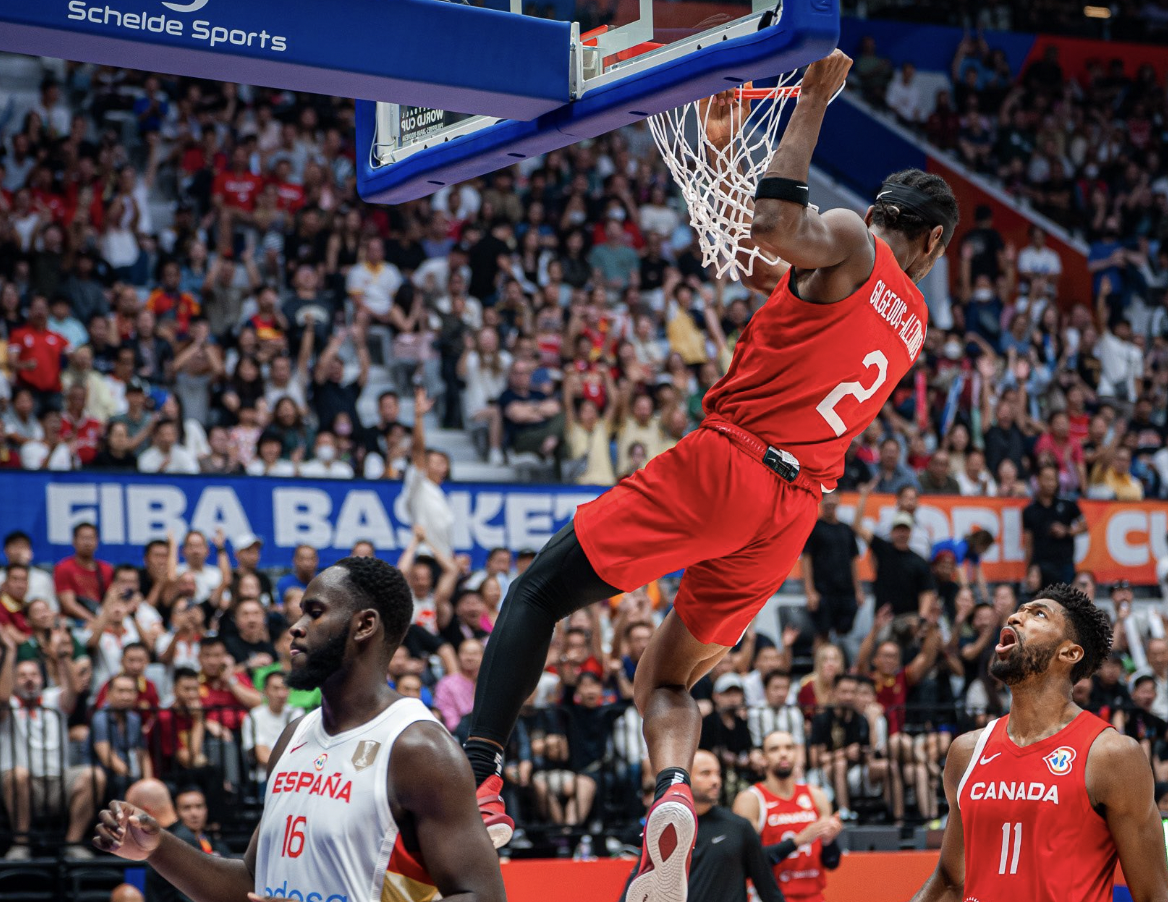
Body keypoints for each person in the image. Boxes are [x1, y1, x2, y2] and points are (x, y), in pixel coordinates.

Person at [462, 51, 957, 901]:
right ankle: (673, 790)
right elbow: (756, 254)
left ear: (881, 215)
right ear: (936, 243)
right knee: (664, 677)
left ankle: (478, 776)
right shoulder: (909, 319)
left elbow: (773, 226)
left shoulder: (848, 235)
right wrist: (724, 152)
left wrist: (812, 104)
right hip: (790, 511)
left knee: (537, 592)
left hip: (731, 463)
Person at [94, 556, 506, 902]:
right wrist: (158, 847)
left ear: (364, 625)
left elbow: (483, 897)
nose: (296, 626)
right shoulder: (293, 737)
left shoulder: (418, 747)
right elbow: (250, 884)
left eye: (316, 612)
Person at [909, 583, 1168, 902]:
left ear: (1070, 652)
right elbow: (950, 880)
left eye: (1038, 614)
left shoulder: (1110, 755)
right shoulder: (967, 751)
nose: (1016, 617)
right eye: (1019, 610)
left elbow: (1154, 895)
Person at [622, 749, 785, 902]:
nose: (715, 781)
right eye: (705, 773)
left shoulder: (739, 827)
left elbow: (768, 889)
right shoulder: (669, 830)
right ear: (686, 779)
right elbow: (638, 884)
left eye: (718, 774)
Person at [733, 730, 842, 902]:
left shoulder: (816, 795)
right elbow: (748, 861)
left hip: (813, 895)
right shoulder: (751, 799)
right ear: (763, 758)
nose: (783, 753)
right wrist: (798, 841)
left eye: (789, 748)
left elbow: (831, 862)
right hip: (771, 897)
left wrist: (829, 842)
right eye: (774, 749)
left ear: (797, 754)